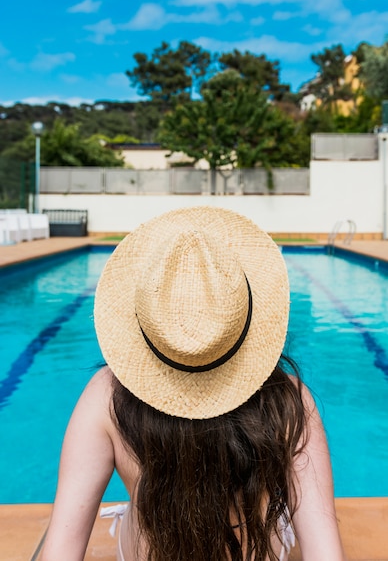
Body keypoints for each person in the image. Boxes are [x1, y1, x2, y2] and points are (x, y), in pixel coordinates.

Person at [40, 206, 346, 561]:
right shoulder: (289, 400)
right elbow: (326, 553)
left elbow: (60, 551)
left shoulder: (106, 396)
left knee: (134, 513)